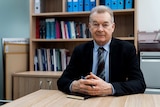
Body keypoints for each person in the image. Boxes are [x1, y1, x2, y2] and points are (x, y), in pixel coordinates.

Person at [57, 5, 146, 96]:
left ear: (113, 27)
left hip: (115, 101)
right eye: (95, 24)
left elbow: (139, 84)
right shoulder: (80, 50)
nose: (100, 29)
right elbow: (62, 81)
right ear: (90, 27)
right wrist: (74, 85)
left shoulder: (127, 49)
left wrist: (110, 88)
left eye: (105, 24)